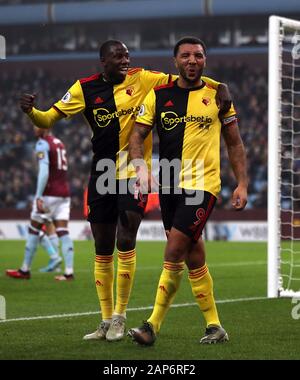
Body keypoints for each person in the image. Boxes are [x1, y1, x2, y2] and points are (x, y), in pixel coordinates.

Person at [17, 39, 232, 341]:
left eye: (127, 55)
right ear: (103, 60)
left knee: (126, 235)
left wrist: (219, 84)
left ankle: (120, 316)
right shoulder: (83, 88)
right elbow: (48, 118)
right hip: (101, 174)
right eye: (118, 56)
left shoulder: (143, 78)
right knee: (102, 248)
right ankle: (105, 320)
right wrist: (31, 113)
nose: (125, 61)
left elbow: (187, 77)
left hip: (134, 174)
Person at [128, 36, 248, 345]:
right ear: (175, 61)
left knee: (175, 250)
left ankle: (151, 326)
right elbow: (137, 135)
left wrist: (243, 183)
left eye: (197, 55)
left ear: (205, 60)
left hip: (202, 185)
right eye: (185, 56)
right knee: (193, 256)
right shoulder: (158, 95)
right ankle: (215, 326)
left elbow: (234, 143)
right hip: (169, 185)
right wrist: (140, 166)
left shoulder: (217, 95)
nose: (191, 60)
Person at [6, 127, 74, 281]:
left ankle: (24, 270)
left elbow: (44, 172)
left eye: (38, 124)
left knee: (33, 229)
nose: (34, 127)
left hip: (49, 194)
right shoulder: (59, 143)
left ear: (46, 127)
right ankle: (69, 272)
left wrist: (38, 195)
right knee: (63, 231)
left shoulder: (42, 144)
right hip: (64, 194)